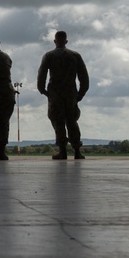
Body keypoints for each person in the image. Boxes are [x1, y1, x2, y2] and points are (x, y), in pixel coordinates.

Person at [37, 30, 89, 160]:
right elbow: (84, 77)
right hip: (71, 94)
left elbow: (41, 75)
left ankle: (63, 151)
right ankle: (77, 150)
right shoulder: (75, 56)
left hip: (55, 94)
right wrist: (81, 94)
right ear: (66, 41)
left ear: (55, 41)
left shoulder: (49, 56)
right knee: (72, 121)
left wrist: (43, 91)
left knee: (58, 122)